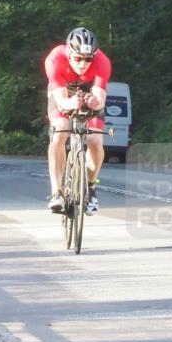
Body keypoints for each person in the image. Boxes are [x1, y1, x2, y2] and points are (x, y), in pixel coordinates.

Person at [44, 27, 111, 215]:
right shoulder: (55, 59)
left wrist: (94, 103)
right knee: (60, 131)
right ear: (69, 53)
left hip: (89, 92)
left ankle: (90, 188)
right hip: (63, 92)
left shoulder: (102, 62)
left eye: (88, 59)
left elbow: (100, 100)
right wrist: (70, 103)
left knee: (96, 140)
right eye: (78, 58)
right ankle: (56, 192)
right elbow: (61, 101)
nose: (83, 63)